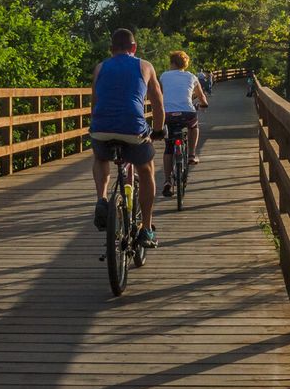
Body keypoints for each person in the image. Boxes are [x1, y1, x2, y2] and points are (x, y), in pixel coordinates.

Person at [89, 28, 166, 248]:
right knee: (146, 168)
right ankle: (147, 229)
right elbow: (158, 103)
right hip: (133, 129)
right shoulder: (145, 66)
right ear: (134, 48)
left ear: (111, 50)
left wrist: (98, 126)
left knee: (101, 158)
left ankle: (102, 199)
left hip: (101, 127)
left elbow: (94, 104)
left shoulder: (100, 67)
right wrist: (159, 130)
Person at [160, 50, 209, 196]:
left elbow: (160, 94)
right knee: (194, 127)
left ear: (172, 63)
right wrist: (204, 104)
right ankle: (192, 154)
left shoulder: (164, 76)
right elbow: (201, 96)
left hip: (168, 114)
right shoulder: (191, 77)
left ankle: (167, 181)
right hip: (187, 113)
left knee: (169, 147)